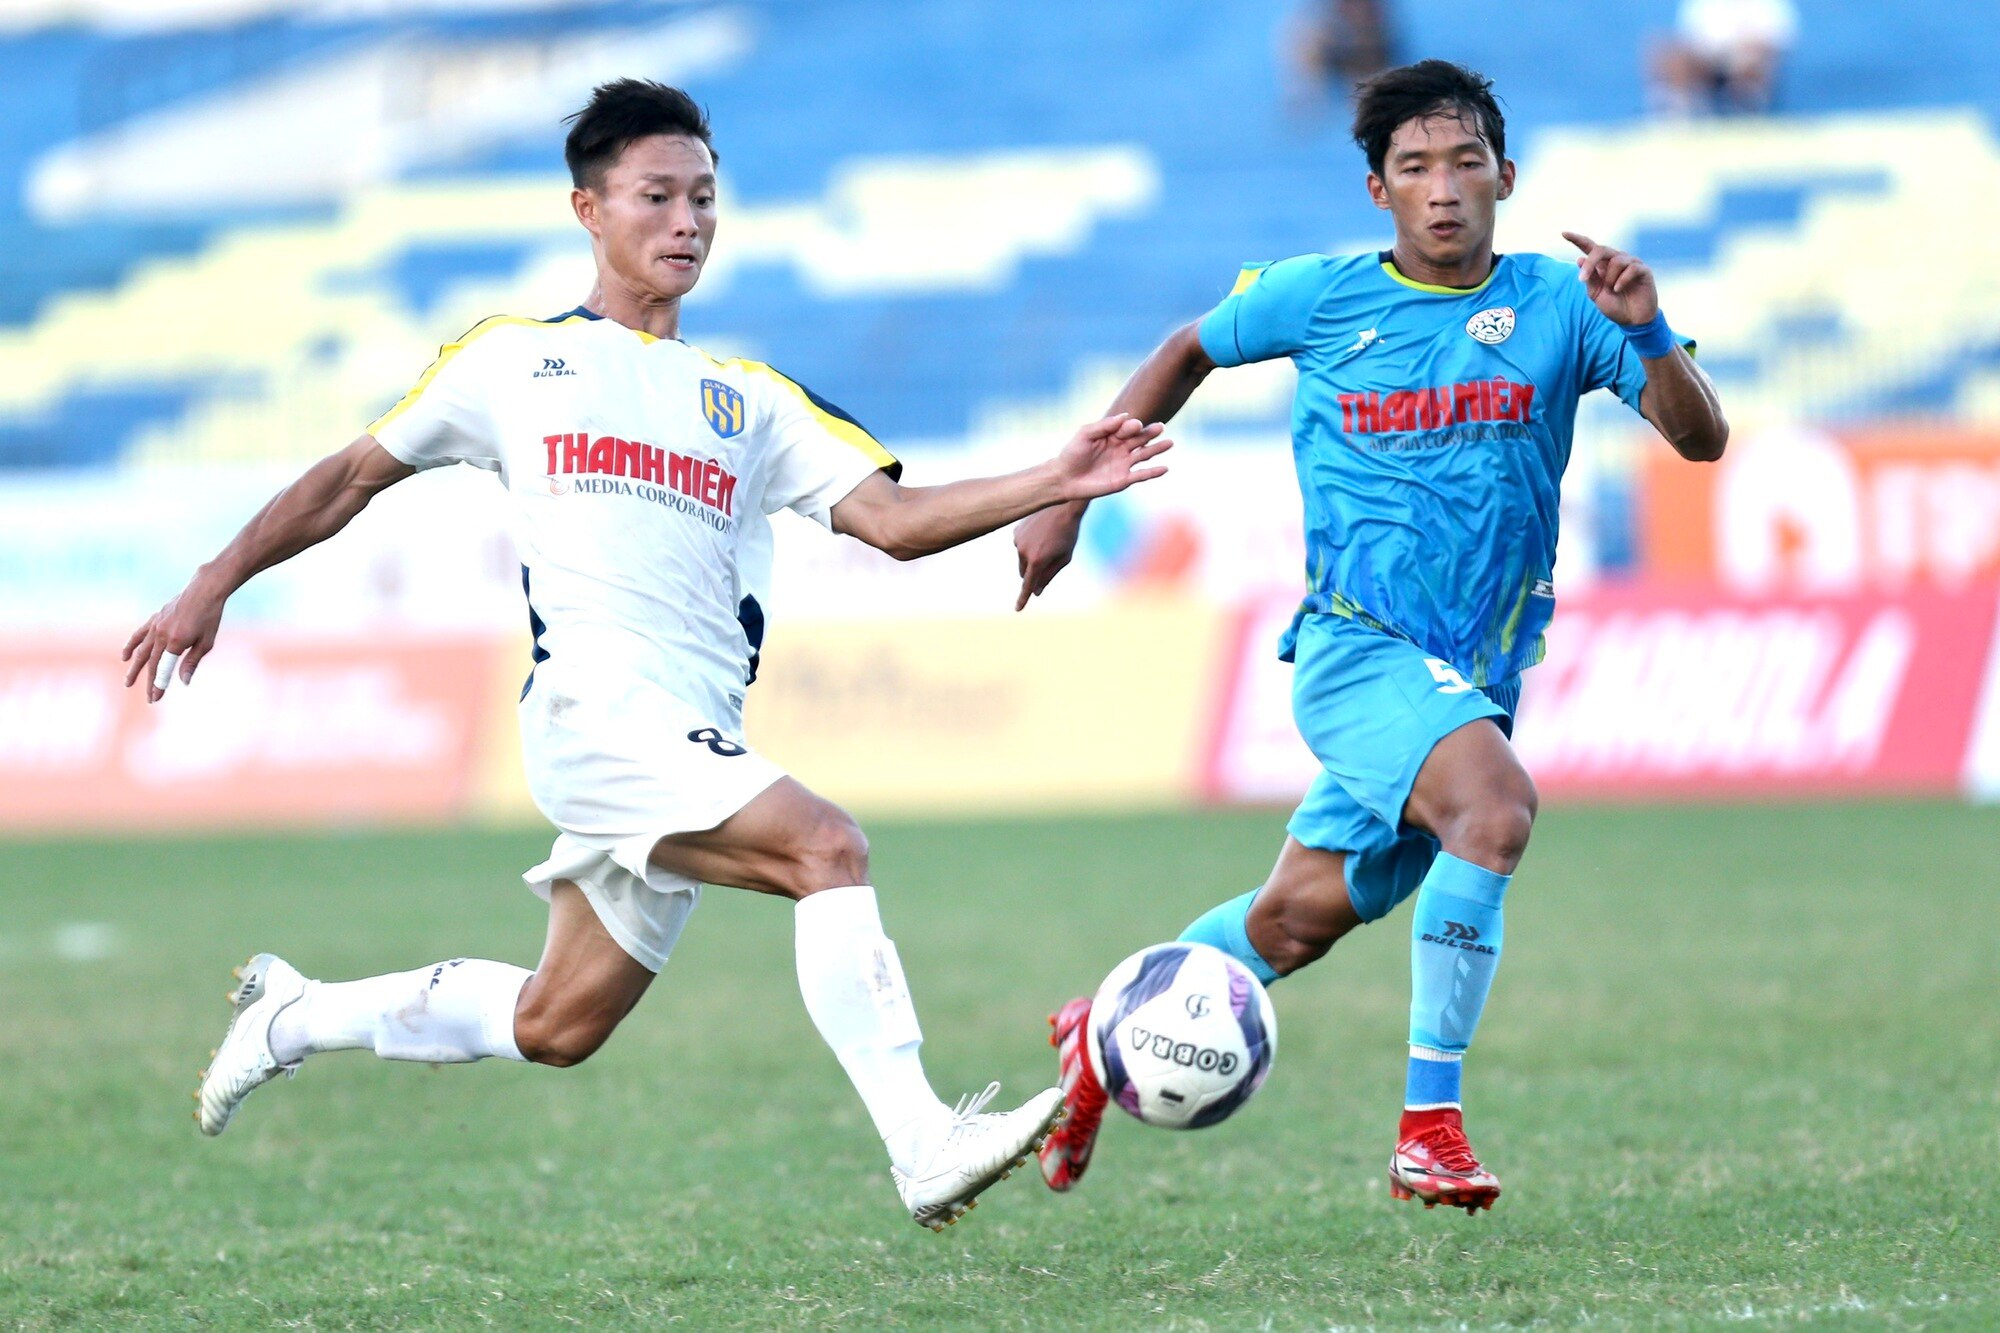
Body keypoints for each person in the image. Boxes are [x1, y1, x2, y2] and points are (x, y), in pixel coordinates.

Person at [121, 79, 1172, 1233]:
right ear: (588, 209)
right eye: (657, 196)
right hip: (593, 711)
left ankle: (291, 1013)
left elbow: (895, 523)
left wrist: (1056, 477)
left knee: (557, 1023)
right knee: (827, 847)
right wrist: (215, 581)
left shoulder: (751, 399)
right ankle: (921, 1139)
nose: (688, 222)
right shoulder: (509, 362)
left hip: (690, 722)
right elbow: (343, 480)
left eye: (705, 199)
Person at [1014, 60, 1726, 1213]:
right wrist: (1065, 501)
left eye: (1461, 164)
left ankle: (1095, 1035)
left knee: (1290, 922)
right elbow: (1185, 347)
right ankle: (1427, 1129)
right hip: (1357, 648)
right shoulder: (1321, 295)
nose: (1441, 188)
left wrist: (1646, 335)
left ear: (1504, 175)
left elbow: (1698, 440)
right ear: (1375, 192)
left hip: (1475, 672)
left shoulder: (1562, 304)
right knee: (1492, 812)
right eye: (1413, 169)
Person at [1649, 0, 1798, 117]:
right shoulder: (1703, 4)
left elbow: (1780, 41)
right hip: (1711, 61)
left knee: (1752, 56)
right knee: (1669, 52)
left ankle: (1746, 110)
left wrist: (1744, 51)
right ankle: (1678, 116)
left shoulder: (1769, 4)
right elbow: (1691, 40)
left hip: (1749, 63)